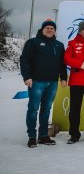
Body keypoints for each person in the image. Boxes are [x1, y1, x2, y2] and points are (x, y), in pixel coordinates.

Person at [20, 19, 67, 148]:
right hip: (36, 82)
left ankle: (43, 136)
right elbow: (24, 59)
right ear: (42, 29)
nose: (50, 30)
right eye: (47, 28)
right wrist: (27, 77)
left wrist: (63, 78)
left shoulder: (59, 45)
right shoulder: (33, 42)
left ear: (54, 30)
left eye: (52, 28)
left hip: (52, 82)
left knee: (46, 110)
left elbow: (63, 64)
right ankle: (31, 137)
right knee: (33, 109)